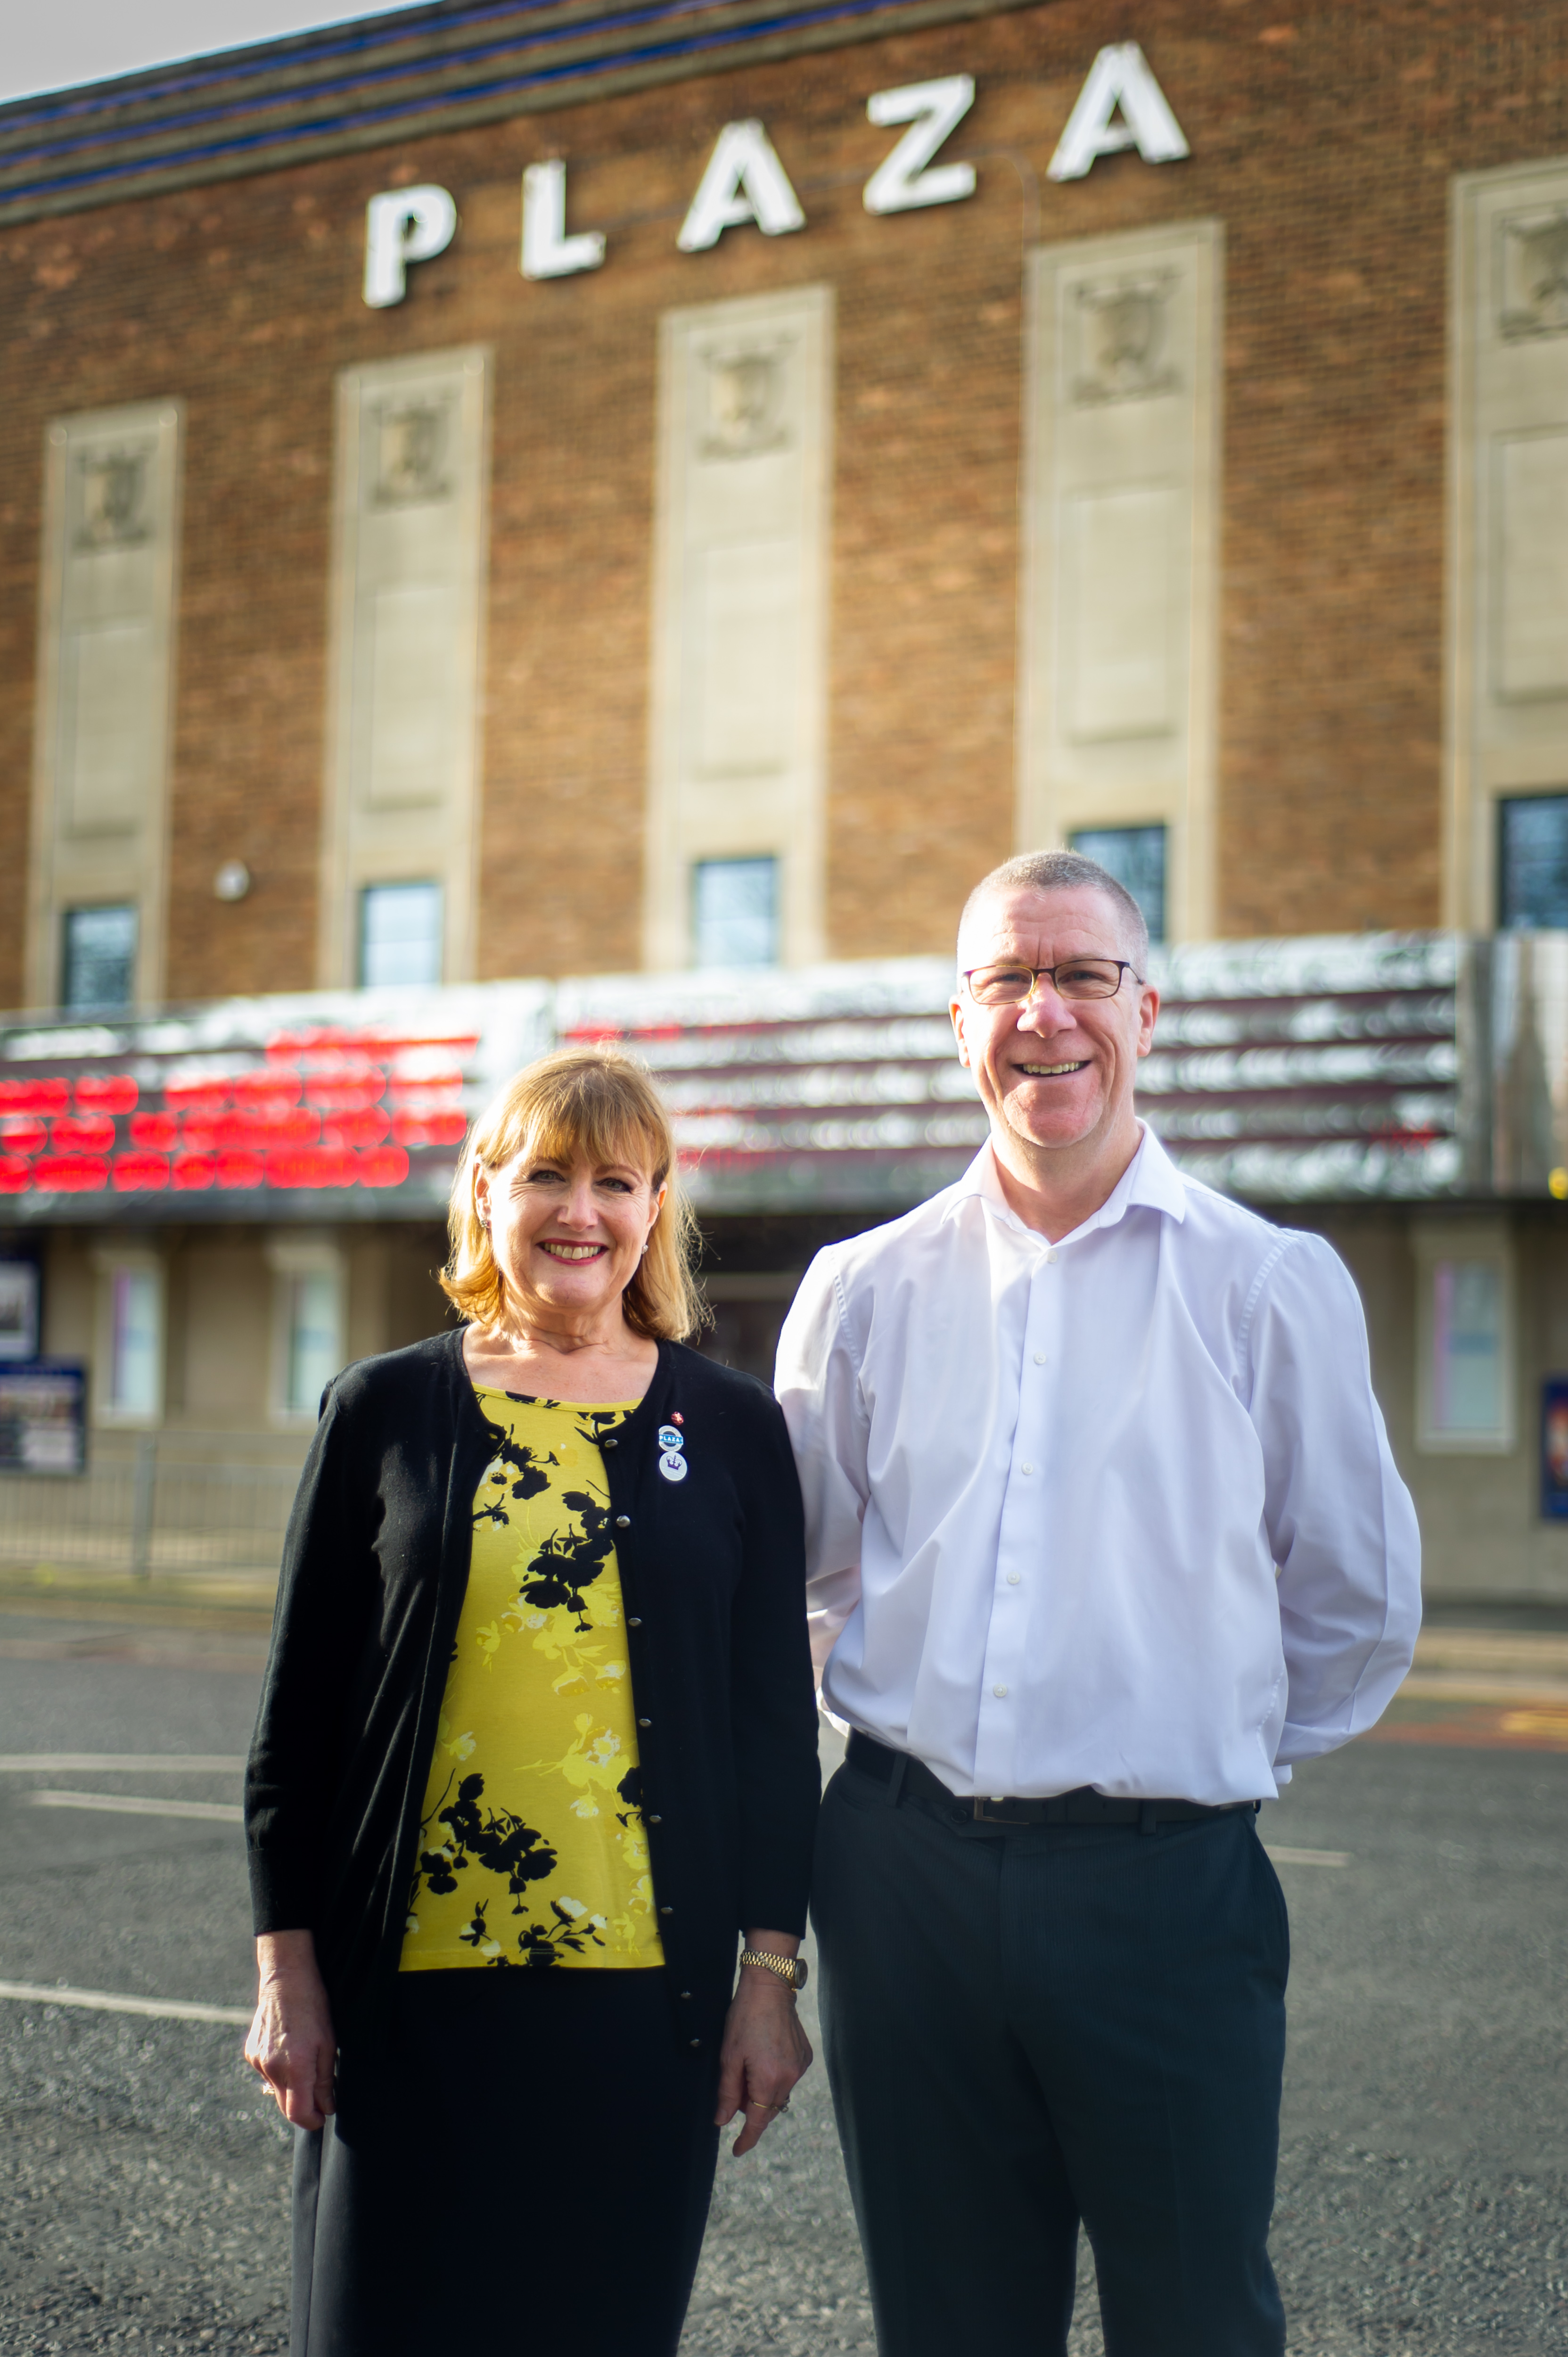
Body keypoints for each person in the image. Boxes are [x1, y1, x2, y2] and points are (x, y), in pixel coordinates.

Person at [775, 849, 1421, 2357]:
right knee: (948, 2327)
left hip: (1164, 1897)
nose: (1044, 1013)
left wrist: (1182, 1746)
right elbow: (797, 1578)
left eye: (1081, 976)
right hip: (903, 1884)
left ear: (1148, 1013)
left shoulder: (1270, 1283)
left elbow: (1355, 1607)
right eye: (1008, 977)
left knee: (1196, 2321)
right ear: (958, 1019)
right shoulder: (860, 1290)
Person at [244, 1046, 820, 2357]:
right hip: (404, 2005)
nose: (580, 1209)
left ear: (657, 1208)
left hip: (641, 2012)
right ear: (486, 1192)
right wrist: (289, 1973)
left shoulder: (728, 1427)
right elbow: (298, 1724)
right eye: (546, 1174)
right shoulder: (384, 1408)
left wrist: (769, 1977)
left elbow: (773, 1731)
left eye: (616, 1180)